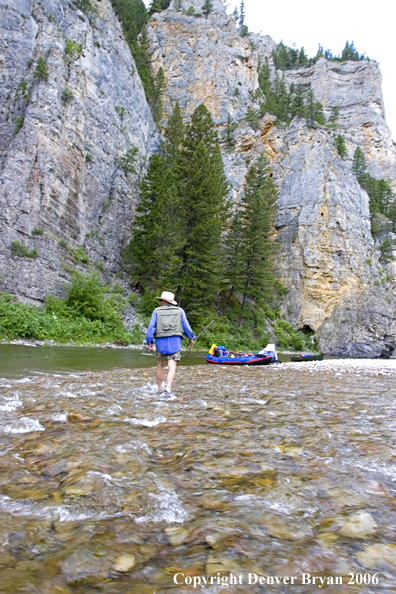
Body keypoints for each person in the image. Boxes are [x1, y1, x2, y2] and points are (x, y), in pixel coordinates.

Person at [146, 291, 195, 398]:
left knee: (160, 364)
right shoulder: (180, 311)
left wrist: (149, 342)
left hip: (160, 342)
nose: (159, 302)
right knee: (172, 366)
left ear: (164, 301)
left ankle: (159, 389)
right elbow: (186, 327)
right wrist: (191, 338)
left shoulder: (156, 311)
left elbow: (151, 327)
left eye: (160, 300)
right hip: (175, 342)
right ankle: (167, 390)